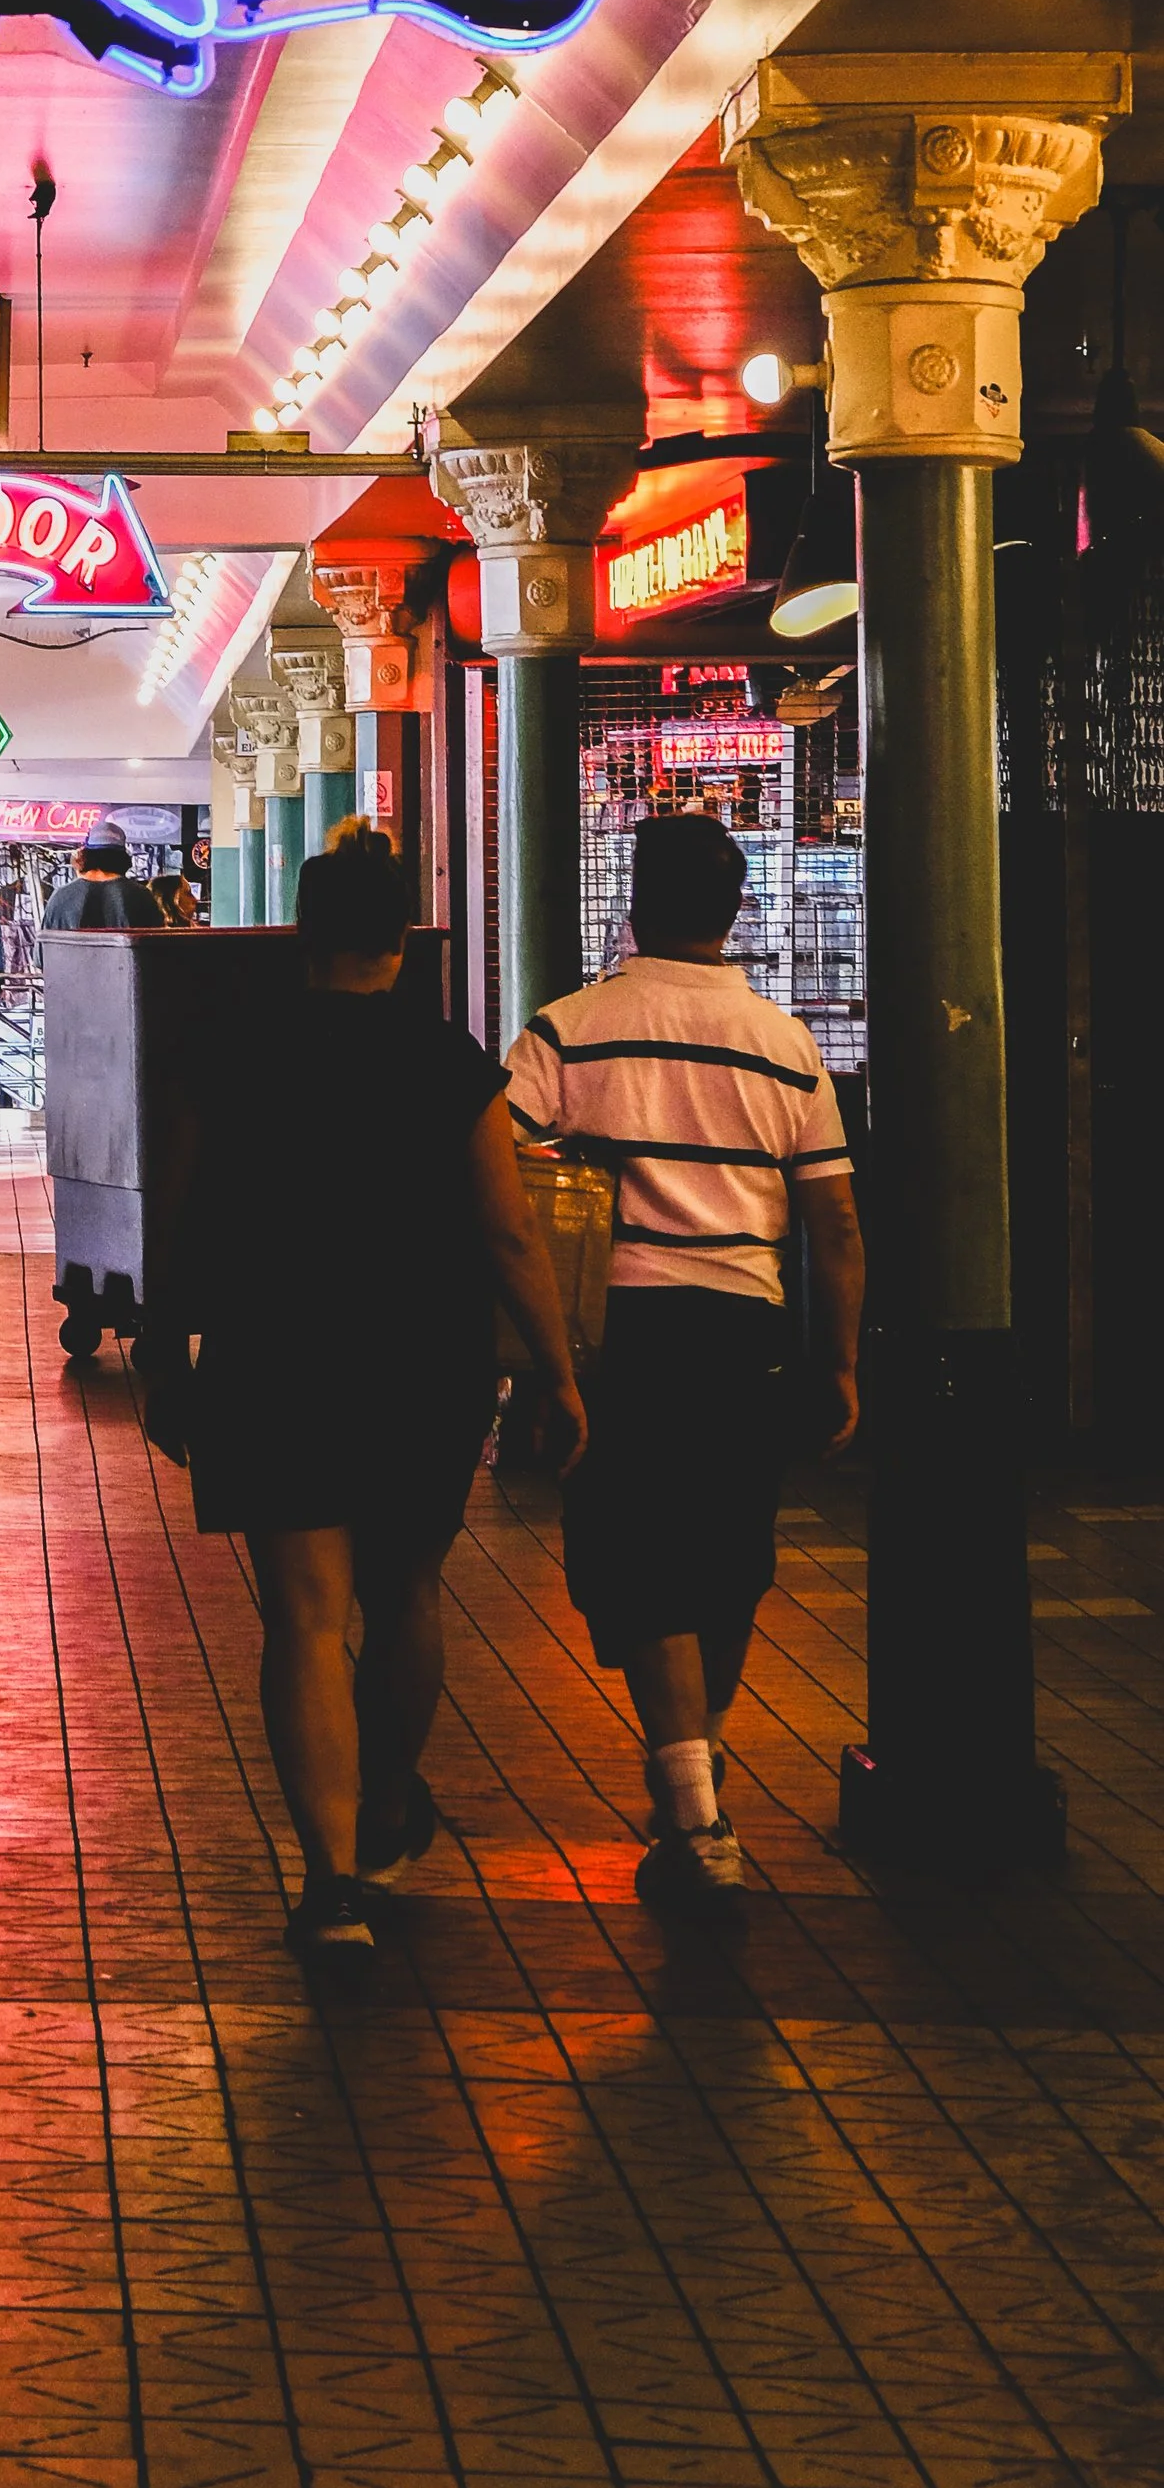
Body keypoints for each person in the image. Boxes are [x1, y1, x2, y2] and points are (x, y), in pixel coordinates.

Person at [140, 831, 586, 1959]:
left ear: (300, 931)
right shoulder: (447, 1059)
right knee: (408, 1592)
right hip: (420, 1362)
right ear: (399, 938)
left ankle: (330, 1883)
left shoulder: (229, 1050)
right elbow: (506, 1228)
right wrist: (557, 1366)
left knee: (303, 1615)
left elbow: (177, 1214)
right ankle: (388, 1803)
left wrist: (159, 1350)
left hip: (271, 1353)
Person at [507, 808, 863, 1913]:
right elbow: (835, 1225)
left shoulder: (569, 1029)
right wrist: (839, 1362)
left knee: (643, 1555)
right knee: (725, 1555)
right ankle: (694, 1785)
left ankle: (695, 1814)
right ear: (734, 912)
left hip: (622, 1331)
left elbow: (495, 1157)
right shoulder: (786, 1043)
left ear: (631, 906)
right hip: (743, 1325)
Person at [44, 822, 165, 930]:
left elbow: (42, 951)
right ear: (123, 857)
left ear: (85, 855)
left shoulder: (60, 898)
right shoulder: (141, 897)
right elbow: (154, 951)